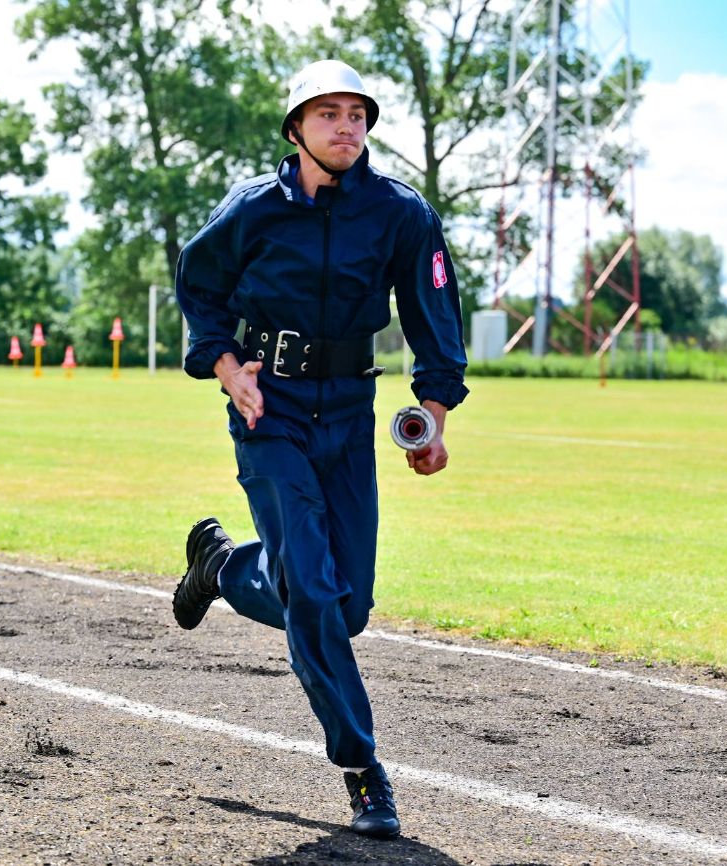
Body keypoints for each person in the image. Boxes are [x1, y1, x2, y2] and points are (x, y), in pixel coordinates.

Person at [171, 60, 468, 839]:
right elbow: (198, 288)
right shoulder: (253, 210)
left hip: (351, 410)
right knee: (310, 583)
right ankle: (363, 769)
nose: (346, 127)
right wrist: (228, 368)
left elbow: (435, 314)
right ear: (296, 127)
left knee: (348, 606)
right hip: (269, 408)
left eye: (357, 115)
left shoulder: (401, 214)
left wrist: (434, 414)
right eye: (328, 113)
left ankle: (225, 567)